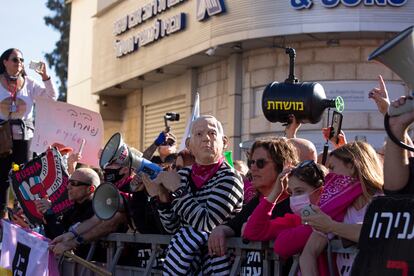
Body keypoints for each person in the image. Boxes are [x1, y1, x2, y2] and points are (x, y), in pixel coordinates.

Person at [142, 115, 244, 275]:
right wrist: (162, 198)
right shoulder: (182, 175)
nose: (206, 139)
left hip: (217, 268)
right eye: (199, 134)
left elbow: (206, 223)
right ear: (189, 145)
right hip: (187, 267)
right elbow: (172, 228)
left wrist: (178, 190)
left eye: (212, 133)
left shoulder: (230, 178)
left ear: (224, 142)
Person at [208, 138, 299, 275]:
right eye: (251, 162)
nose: (253, 168)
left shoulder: (295, 204)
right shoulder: (255, 202)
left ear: (283, 166)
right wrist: (220, 230)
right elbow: (233, 226)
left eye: (261, 163)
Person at [299, 142, 383, 276]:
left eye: (332, 168)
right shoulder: (337, 205)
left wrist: (331, 226)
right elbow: (308, 254)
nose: (328, 176)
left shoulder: (384, 200)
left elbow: (372, 232)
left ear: (352, 166)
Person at [0, 48, 57, 217]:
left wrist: (45, 77)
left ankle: (23, 216)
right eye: (15, 59)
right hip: (2, 139)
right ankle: (2, 217)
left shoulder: (30, 83)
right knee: (2, 178)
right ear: (5, 62)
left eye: (21, 60)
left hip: (25, 138)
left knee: (23, 177)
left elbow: (51, 97)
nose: (19, 63)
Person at [36, 168, 100, 257]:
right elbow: (54, 237)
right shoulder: (72, 209)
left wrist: (49, 213)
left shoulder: (98, 211)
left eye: (74, 183)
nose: (68, 187)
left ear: (90, 189)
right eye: (68, 182)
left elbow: (65, 239)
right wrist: (46, 214)